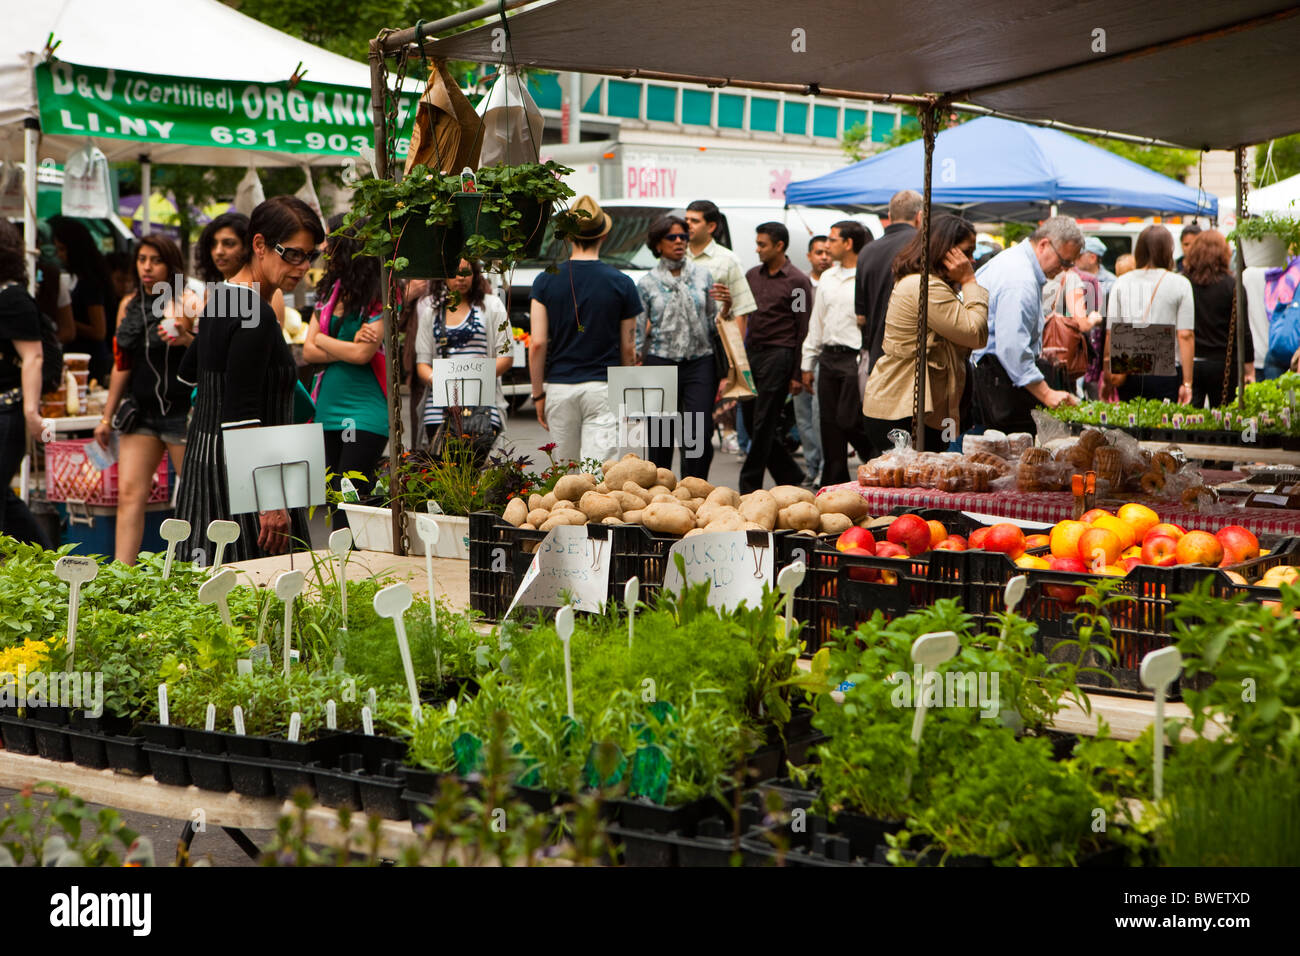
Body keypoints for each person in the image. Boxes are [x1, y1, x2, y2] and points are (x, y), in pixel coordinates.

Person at [175, 196, 323, 563]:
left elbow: (188, 374)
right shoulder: (255, 313)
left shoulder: (220, 300)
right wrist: (270, 503)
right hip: (245, 482)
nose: (302, 266)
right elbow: (240, 415)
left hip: (204, 464)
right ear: (259, 245)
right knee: (258, 598)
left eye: (309, 256)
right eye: (293, 254)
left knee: (209, 591)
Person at [94, 235, 196, 564]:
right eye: (141, 260)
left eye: (155, 260)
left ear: (171, 265)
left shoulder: (189, 300)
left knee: (194, 497)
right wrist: (106, 417)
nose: (147, 267)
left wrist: (184, 337)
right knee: (129, 494)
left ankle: (197, 569)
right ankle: (123, 575)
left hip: (182, 412)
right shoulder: (129, 304)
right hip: (141, 413)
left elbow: (208, 354)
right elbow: (122, 363)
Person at [529, 195, 640, 465]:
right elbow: (628, 348)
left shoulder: (545, 281)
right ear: (604, 236)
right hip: (603, 387)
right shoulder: (622, 283)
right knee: (599, 474)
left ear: (567, 237)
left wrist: (538, 394)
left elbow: (538, 344)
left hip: (559, 386)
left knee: (564, 476)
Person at [864, 215, 988, 453]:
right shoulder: (926, 286)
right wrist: (970, 281)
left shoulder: (922, 282)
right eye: (966, 252)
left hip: (909, 406)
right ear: (946, 251)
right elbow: (975, 333)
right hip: (905, 409)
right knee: (911, 485)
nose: (971, 260)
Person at [304, 215, 388, 527]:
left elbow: (362, 354)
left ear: (349, 244)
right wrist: (341, 345)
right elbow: (308, 350)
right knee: (335, 495)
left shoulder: (380, 294)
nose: (324, 247)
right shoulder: (329, 291)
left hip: (366, 410)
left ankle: (357, 566)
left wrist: (323, 340)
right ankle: (346, 566)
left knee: (351, 494)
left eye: (330, 239)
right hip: (325, 408)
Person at [969, 216, 1083, 433]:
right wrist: (1046, 393)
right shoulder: (1019, 279)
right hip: (994, 388)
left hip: (993, 383)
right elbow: (1012, 347)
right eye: (1064, 261)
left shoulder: (1017, 265)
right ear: (1044, 245)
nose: (1064, 269)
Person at [635, 215, 720, 480]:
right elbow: (637, 329)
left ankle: (694, 491)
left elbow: (713, 321)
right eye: (672, 237)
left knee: (698, 433)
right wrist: (634, 362)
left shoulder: (703, 275)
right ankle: (660, 495)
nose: (680, 241)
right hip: (660, 361)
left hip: (699, 361)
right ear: (658, 244)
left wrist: (725, 309)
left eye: (684, 236)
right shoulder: (647, 282)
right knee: (659, 435)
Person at [739, 222, 812, 493]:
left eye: (762, 245)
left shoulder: (797, 281)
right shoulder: (751, 276)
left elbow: (802, 327)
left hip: (779, 354)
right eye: (757, 244)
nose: (757, 249)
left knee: (763, 421)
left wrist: (796, 373)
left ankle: (749, 485)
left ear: (779, 246)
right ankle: (789, 473)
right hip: (751, 354)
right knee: (750, 421)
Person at [415, 258, 511, 463]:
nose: (460, 278)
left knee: (477, 467)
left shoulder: (492, 306)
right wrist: (439, 380)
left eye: (466, 272)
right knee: (445, 470)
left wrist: (474, 380)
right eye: (454, 272)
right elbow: (422, 363)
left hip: (484, 408)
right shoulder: (431, 312)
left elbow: (506, 355)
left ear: (475, 275)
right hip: (439, 411)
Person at [802, 220, 872, 485]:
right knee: (829, 427)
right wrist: (807, 362)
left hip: (854, 358)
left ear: (848, 243)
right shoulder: (828, 276)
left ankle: (876, 458)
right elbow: (816, 322)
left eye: (832, 240)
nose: (827, 245)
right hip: (827, 358)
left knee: (848, 419)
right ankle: (833, 486)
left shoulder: (866, 274)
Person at [685, 200, 757, 454]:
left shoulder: (727, 261)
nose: (688, 225)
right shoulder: (675, 255)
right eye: (687, 220)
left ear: (712, 226)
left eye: (695, 221)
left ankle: (695, 477)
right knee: (669, 424)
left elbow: (741, 312)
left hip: (710, 352)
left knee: (698, 423)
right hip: (673, 352)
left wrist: (732, 363)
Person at [0, 220, 52, 547]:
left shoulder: (12, 297)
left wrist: (31, 413)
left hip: (8, 410)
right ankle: (48, 562)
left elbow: (34, 357)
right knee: (4, 497)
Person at [1103, 225, 1195, 403]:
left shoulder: (1121, 282)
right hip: (1166, 370)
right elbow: (1185, 335)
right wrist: (1188, 382)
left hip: (1128, 368)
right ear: (1169, 250)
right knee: (1163, 425)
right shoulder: (1180, 283)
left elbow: (1111, 333)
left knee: (1128, 427)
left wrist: (1108, 374)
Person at [1184, 229, 1254, 407]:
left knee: (1188, 421)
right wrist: (1249, 369)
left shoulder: (1184, 283)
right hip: (1225, 364)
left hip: (1190, 362)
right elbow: (1243, 330)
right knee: (1225, 420)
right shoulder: (1233, 286)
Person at [856, 190, 924, 371]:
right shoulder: (923, 247)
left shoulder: (867, 251)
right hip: (913, 359)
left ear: (889, 216)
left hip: (878, 358)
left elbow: (860, 316)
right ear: (920, 217)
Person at [50, 216, 114, 384]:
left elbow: (99, 331)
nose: (59, 255)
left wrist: (67, 319)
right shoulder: (82, 279)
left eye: (62, 249)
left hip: (89, 361)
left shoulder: (90, 283)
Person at [195, 211, 285, 325]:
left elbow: (273, 341)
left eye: (229, 243)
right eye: (213, 244)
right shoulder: (211, 291)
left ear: (248, 247)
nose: (218, 251)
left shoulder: (271, 293)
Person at [1076, 236, 1117, 303]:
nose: (1075, 259)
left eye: (1079, 256)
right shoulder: (1072, 277)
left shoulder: (1111, 282)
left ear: (1093, 258)